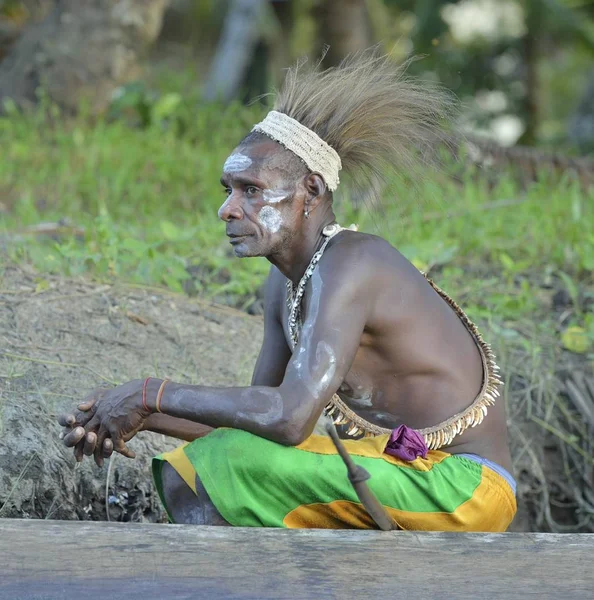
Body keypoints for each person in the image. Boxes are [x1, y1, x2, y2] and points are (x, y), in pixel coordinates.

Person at [58, 51, 517, 531]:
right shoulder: (283, 283)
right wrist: (137, 414)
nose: (228, 210)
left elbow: (290, 419)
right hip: (397, 468)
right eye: (227, 190)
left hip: (465, 488)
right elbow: (259, 416)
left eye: (251, 190)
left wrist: (150, 393)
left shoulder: (353, 262)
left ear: (311, 193)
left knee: (227, 461)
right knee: (191, 465)